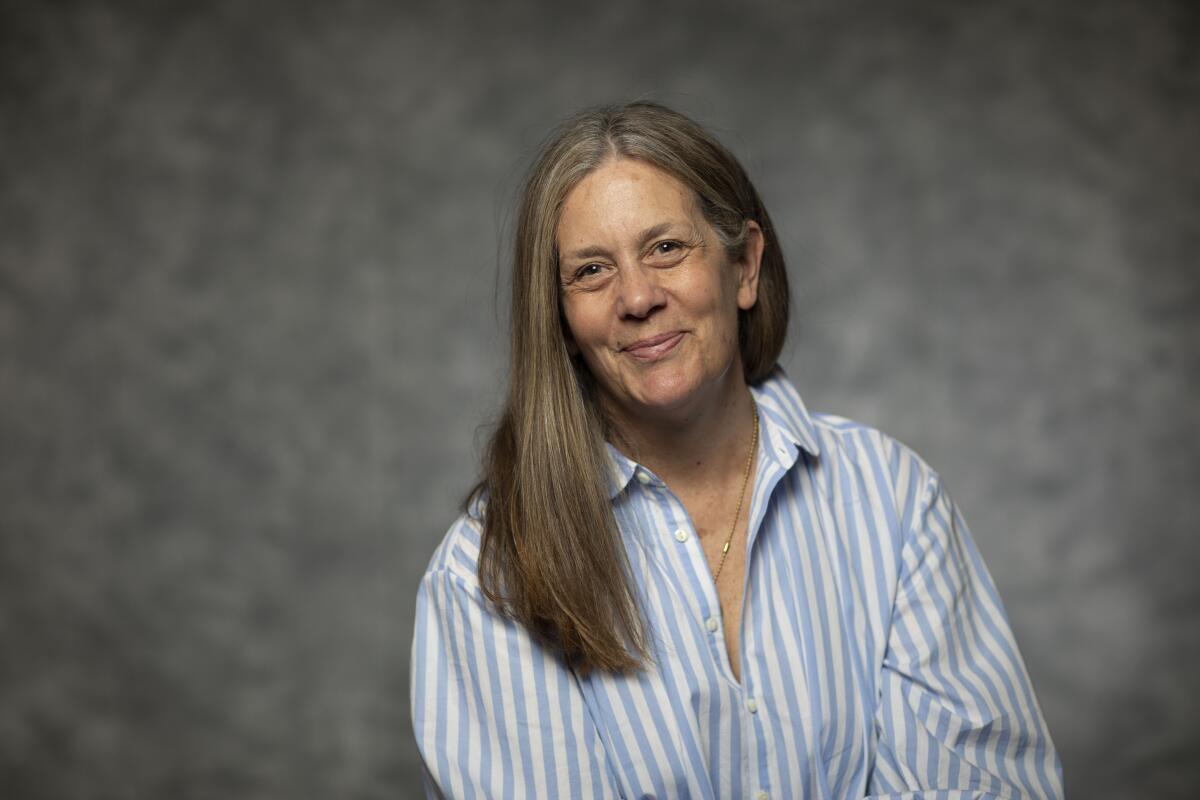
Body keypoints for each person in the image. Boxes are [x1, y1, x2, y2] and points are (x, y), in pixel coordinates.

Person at [411, 101, 1063, 799]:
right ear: (564, 320)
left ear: (745, 266)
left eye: (665, 247)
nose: (636, 297)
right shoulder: (491, 576)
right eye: (593, 270)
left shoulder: (892, 499)